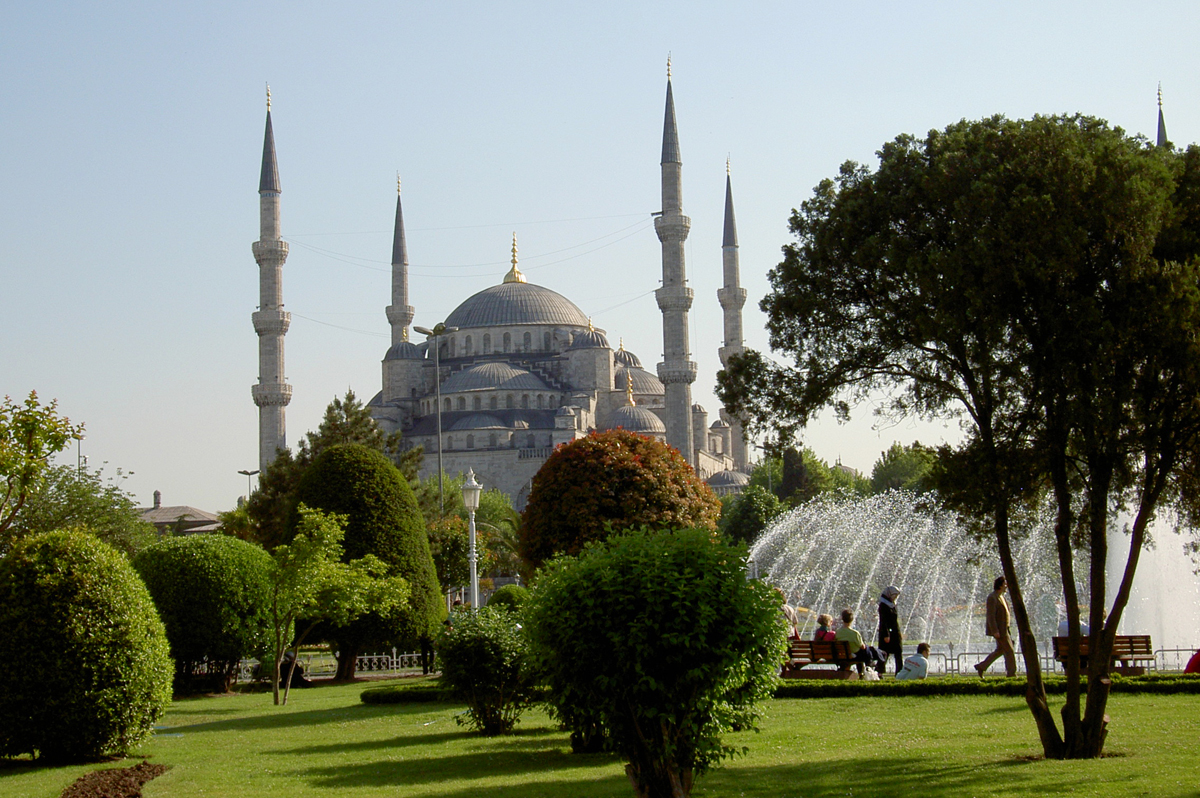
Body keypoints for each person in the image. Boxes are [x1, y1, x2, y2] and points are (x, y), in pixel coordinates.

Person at [975, 576, 1016, 678]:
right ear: (1000, 585)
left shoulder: (1001, 597)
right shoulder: (992, 597)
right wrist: (995, 631)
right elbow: (990, 616)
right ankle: (1012, 674)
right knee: (1009, 651)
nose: (1007, 586)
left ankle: (981, 667)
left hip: (1005, 629)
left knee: (1001, 650)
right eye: (1005, 584)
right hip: (1000, 630)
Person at [835, 609, 879, 677]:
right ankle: (868, 666)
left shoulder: (838, 632)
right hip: (855, 656)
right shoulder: (855, 633)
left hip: (843, 655)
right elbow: (862, 646)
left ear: (842, 619)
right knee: (866, 649)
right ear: (852, 620)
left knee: (864, 651)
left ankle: (862, 671)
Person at [877, 585, 903, 675]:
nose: (895, 598)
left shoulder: (892, 604)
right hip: (887, 633)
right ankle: (879, 672)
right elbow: (883, 621)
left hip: (895, 632)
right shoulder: (883, 605)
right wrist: (886, 634)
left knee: (898, 652)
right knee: (884, 653)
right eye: (894, 595)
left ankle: (899, 672)